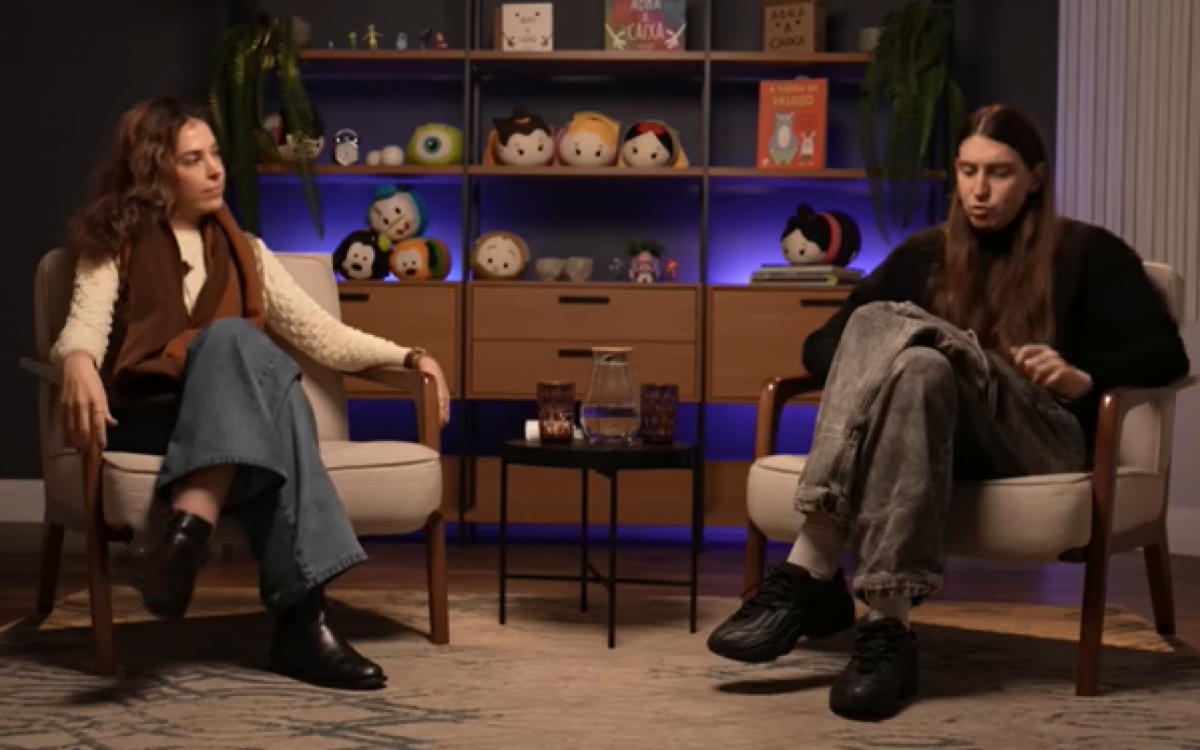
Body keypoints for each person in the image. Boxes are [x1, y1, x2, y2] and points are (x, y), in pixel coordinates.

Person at [706, 104, 1190, 720]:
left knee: (900, 332)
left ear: (1035, 178)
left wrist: (1083, 374)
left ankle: (813, 561)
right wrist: (892, 360)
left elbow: (1166, 355)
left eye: (1000, 172)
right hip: (932, 442)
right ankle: (889, 630)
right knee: (918, 364)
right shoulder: (923, 255)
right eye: (968, 170)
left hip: (1044, 439)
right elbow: (821, 346)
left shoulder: (1090, 253)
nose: (979, 189)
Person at [52, 97, 452, 691]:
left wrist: (410, 357)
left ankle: (187, 534)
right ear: (154, 170)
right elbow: (85, 322)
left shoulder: (250, 252)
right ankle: (304, 624)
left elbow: (323, 336)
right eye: (193, 159)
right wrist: (77, 361)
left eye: (215, 153)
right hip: (152, 415)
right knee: (248, 356)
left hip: (229, 426)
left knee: (249, 362)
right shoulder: (113, 240)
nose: (216, 169)